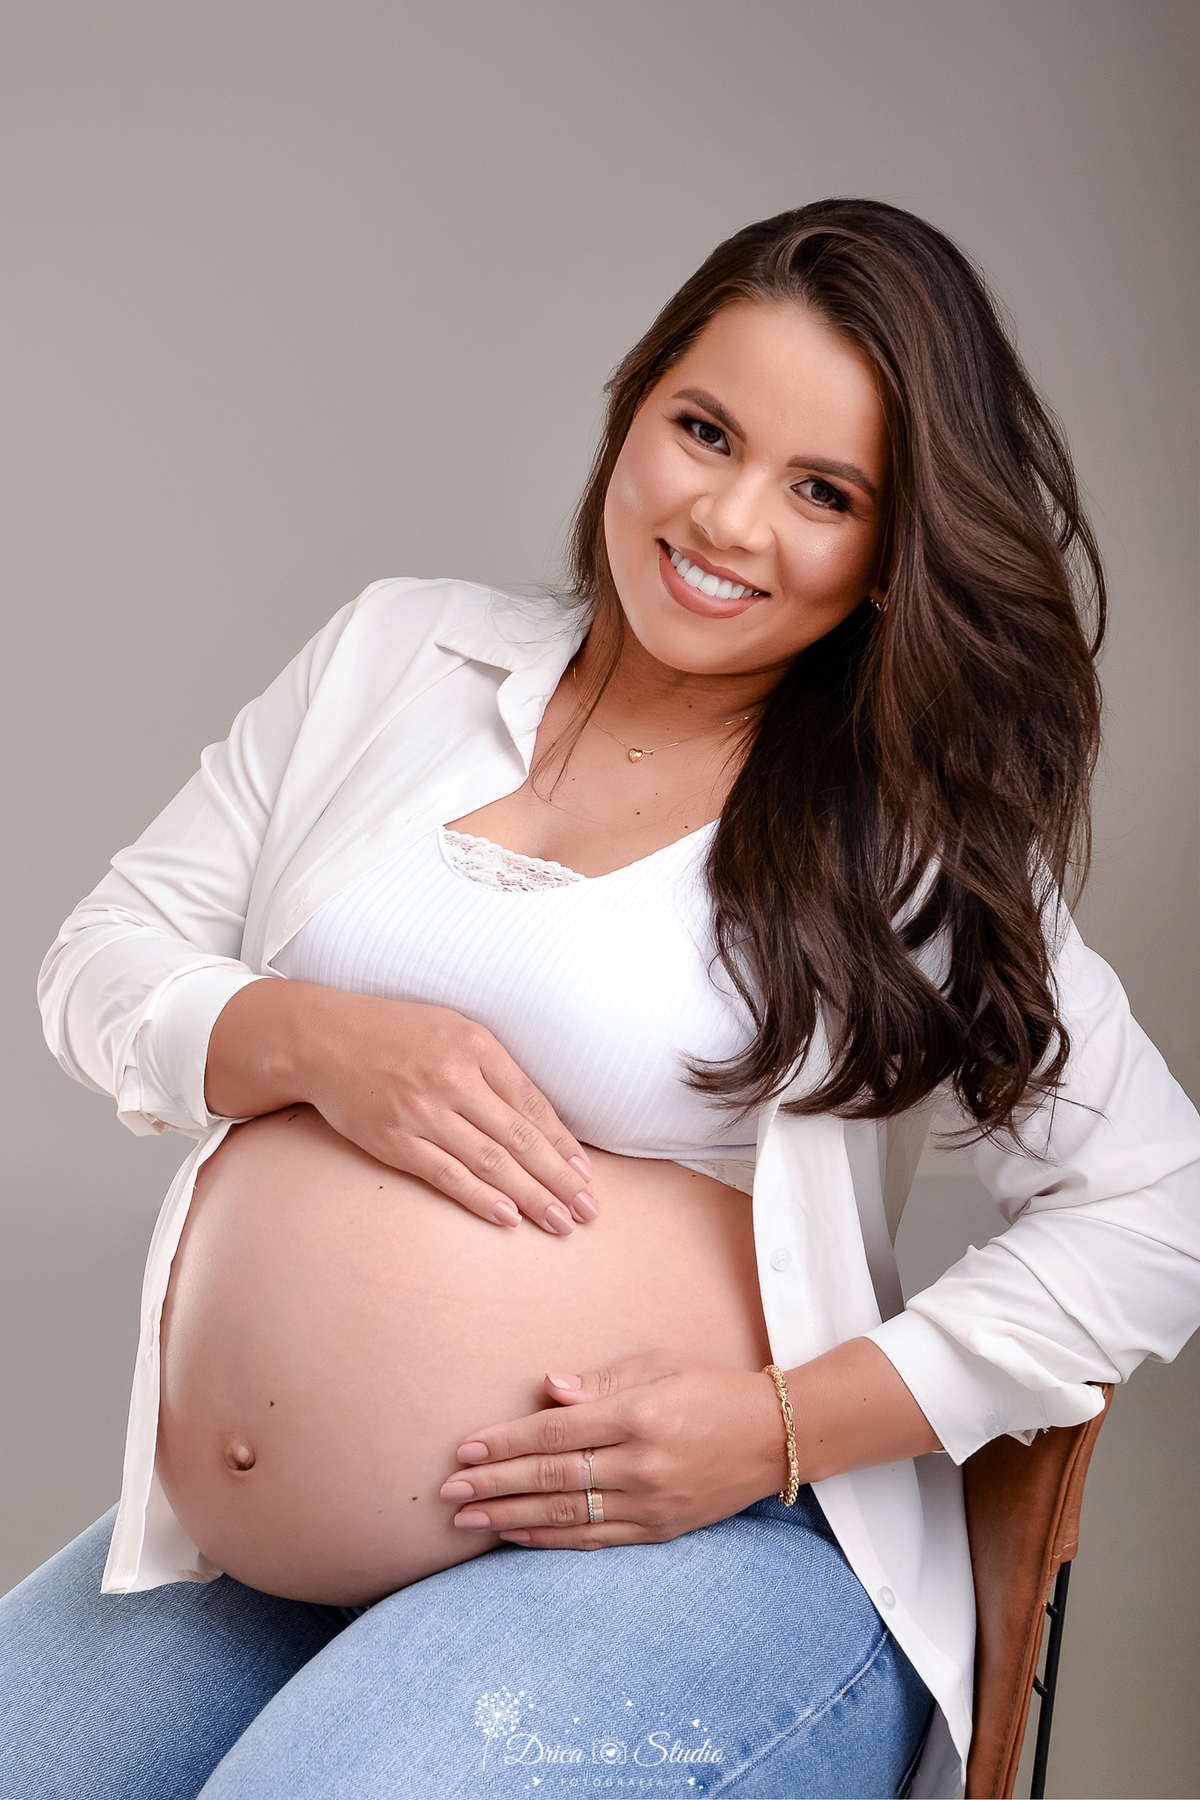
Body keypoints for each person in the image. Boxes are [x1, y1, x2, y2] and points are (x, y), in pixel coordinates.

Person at [4, 198, 1198, 1800]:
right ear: (635, 400)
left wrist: (777, 1427)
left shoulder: (893, 836)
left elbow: (1153, 1207)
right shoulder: (397, 654)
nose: (727, 520)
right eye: (704, 429)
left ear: (891, 549)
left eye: (823, 491)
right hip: (261, 1580)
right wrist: (306, 1040)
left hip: (709, 1560)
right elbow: (105, 957)